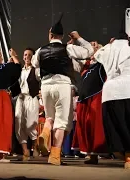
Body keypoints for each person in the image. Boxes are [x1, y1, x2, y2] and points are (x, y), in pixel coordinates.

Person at [31, 13, 94, 165]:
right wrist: (78, 39)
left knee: (49, 118)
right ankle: (54, 155)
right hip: (63, 85)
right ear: (62, 35)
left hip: (46, 86)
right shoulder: (69, 48)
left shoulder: (40, 50)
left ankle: (45, 134)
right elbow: (89, 51)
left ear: (50, 34)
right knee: (61, 123)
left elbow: (34, 64)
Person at [93, 20, 130, 169]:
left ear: (113, 40)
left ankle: (125, 156)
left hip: (111, 92)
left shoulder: (107, 50)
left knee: (116, 126)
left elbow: (97, 53)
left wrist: (109, 45)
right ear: (128, 39)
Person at [71, 41, 108, 164]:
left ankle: (96, 153)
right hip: (84, 98)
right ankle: (91, 155)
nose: (93, 48)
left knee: (94, 125)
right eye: (92, 47)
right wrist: (70, 45)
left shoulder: (103, 63)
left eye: (96, 46)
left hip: (96, 97)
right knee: (84, 125)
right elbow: (72, 59)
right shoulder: (85, 64)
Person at [15, 47, 40, 161]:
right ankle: (25, 150)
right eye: (25, 55)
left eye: (30, 55)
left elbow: (42, 80)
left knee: (30, 124)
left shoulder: (36, 70)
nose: (27, 57)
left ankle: (35, 145)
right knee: (19, 124)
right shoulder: (20, 70)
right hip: (21, 99)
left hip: (32, 97)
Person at [62, 85, 80, 158]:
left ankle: (76, 152)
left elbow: (76, 107)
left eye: (72, 90)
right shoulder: (66, 99)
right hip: (68, 118)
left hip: (76, 119)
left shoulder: (77, 98)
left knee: (75, 136)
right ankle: (67, 152)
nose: (70, 91)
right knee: (68, 136)